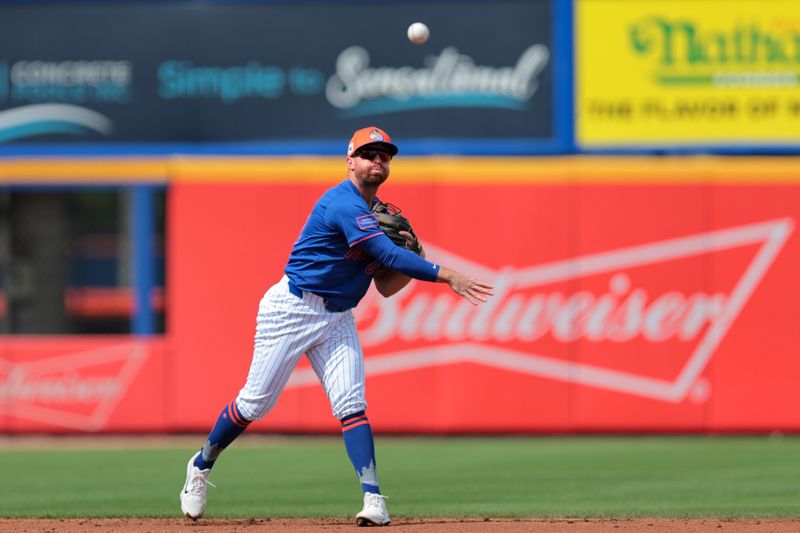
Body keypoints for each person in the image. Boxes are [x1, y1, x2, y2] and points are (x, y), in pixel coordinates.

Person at [179, 126, 494, 526]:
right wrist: (445, 273)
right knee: (254, 403)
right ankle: (201, 465)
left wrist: (412, 256)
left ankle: (373, 498)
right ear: (350, 161)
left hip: (337, 316)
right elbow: (383, 253)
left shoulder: (376, 214)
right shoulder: (341, 203)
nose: (377, 160)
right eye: (368, 154)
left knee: (351, 404)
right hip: (291, 309)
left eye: (384, 155)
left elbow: (385, 283)